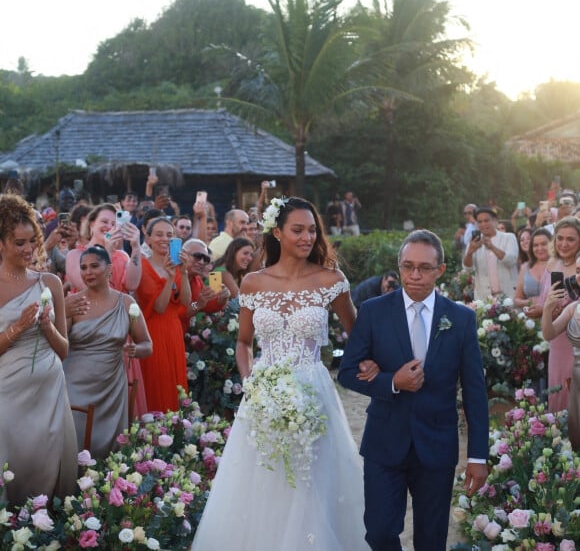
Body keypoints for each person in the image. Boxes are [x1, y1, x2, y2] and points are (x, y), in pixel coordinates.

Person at [192, 197, 375, 551]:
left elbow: (359, 336)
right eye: (298, 230)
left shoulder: (331, 280)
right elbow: (244, 343)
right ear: (277, 232)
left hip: (313, 390)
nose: (307, 237)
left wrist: (371, 363)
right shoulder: (253, 283)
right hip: (263, 393)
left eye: (312, 230)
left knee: (311, 481)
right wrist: (252, 384)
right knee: (264, 480)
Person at [338, 229, 489, 551]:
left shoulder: (460, 319)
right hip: (384, 443)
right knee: (379, 533)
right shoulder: (374, 311)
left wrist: (477, 455)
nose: (415, 275)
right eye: (407, 266)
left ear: (440, 270)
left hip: (437, 446)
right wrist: (392, 382)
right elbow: (348, 372)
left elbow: (475, 391)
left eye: (424, 268)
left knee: (431, 540)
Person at [0, 194, 77, 506]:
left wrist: (47, 327)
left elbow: (64, 351)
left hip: (49, 391)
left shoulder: (50, 283)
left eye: (32, 240)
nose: (28, 249)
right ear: (1, 244)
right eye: (19, 242)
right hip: (7, 394)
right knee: (11, 463)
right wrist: (16, 329)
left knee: (47, 467)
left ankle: (48, 524)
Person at [64, 246, 152, 458]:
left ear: (110, 269)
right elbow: (60, 344)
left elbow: (147, 345)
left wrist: (134, 349)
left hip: (111, 385)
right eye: (83, 267)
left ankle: (107, 488)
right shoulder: (73, 302)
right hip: (74, 382)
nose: (88, 272)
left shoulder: (126, 303)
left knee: (109, 447)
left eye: (94, 266)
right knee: (73, 439)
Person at [136, 217, 191, 412]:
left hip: (173, 330)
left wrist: (183, 273)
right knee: (157, 382)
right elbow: (159, 307)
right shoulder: (142, 266)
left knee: (176, 383)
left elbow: (185, 302)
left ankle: (177, 433)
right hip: (153, 332)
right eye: (158, 234)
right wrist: (169, 278)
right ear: (148, 238)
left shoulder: (177, 265)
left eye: (169, 235)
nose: (164, 239)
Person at [538, 216, 580, 412]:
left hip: (575, 340)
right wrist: (544, 309)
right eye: (560, 238)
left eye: (570, 239)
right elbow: (544, 300)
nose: (564, 243)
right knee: (558, 393)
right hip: (556, 341)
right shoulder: (551, 264)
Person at [542, 261, 580, 450]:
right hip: (576, 380)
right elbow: (549, 334)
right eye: (578, 271)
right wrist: (548, 308)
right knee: (576, 435)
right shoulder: (573, 308)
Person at [462, 206, 519, 300]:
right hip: (484, 299)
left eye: (486, 220)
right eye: (480, 222)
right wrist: (470, 252)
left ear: (495, 221)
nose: (483, 224)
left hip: (509, 296)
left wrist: (492, 247)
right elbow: (467, 269)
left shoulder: (509, 237)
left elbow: (511, 260)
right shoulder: (473, 242)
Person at [514, 228, 551, 313]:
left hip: (554, 320)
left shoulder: (559, 265)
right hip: (530, 322)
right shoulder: (525, 267)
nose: (539, 248)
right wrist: (528, 302)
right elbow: (517, 299)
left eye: (543, 244)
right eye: (535, 245)